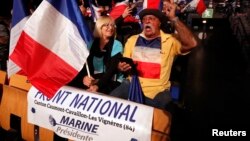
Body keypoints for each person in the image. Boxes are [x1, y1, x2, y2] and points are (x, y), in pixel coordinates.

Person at [110, 0, 198, 110]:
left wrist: (174, 19)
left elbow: (192, 43)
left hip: (158, 91)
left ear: (159, 23)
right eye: (144, 19)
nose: (147, 21)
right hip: (132, 85)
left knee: (163, 119)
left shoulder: (169, 40)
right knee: (110, 104)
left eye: (151, 19)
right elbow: (124, 63)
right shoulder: (132, 40)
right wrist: (121, 67)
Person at [68, 16, 124, 94]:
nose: (110, 28)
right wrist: (84, 78)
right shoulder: (92, 43)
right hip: (93, 79)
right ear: (99, 27)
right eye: (107, 25)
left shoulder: (117, 45)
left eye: (112, 25)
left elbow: (111, 70)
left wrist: (97, 85)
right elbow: (84, 65)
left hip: (110, 81)